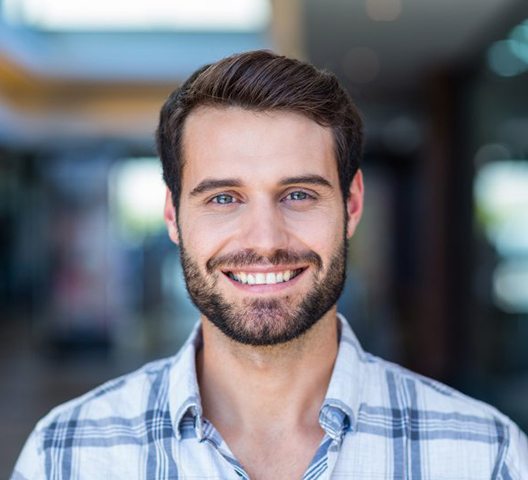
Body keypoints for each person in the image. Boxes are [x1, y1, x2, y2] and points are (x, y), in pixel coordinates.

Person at [12, 50, 528, 479]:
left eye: (299, 194)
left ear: (351, 205)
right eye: (223, 199)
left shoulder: (484, 455)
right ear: (173, 215)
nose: (265, 240)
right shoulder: (66, 455)